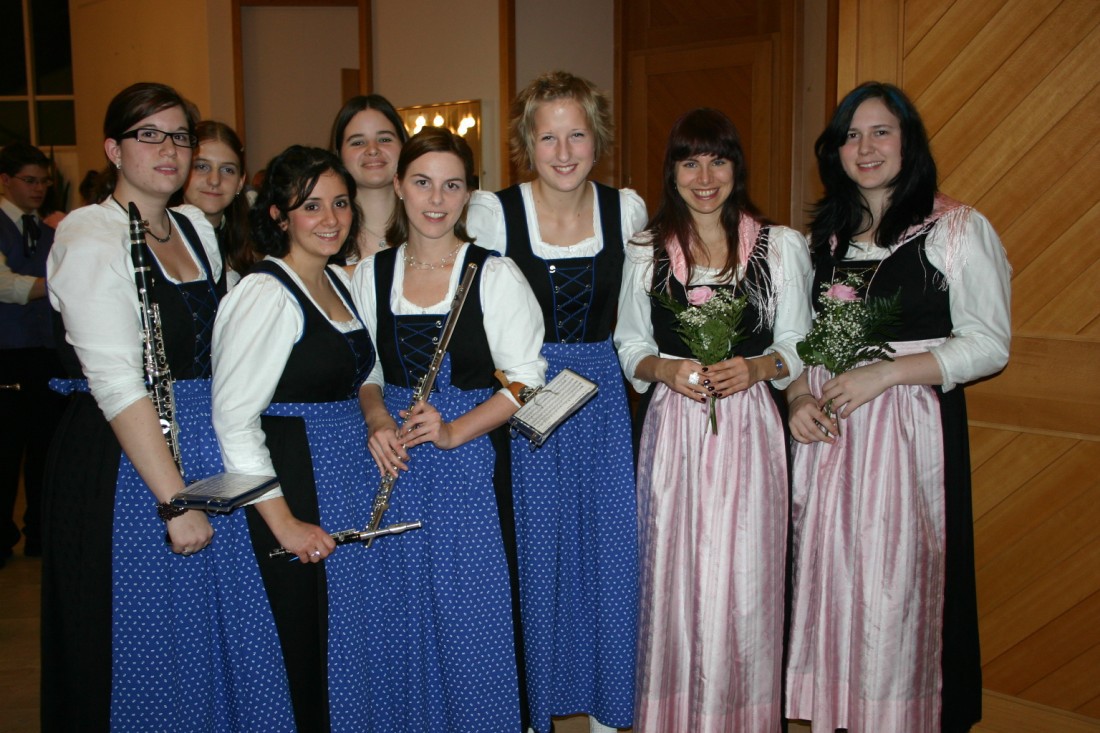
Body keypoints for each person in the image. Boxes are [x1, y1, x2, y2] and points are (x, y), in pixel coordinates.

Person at [784, 82, 1011, 733]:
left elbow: (989, 344)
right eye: (851, 135)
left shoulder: (956, 228)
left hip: (908, 438)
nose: (865, 147)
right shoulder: (823, 239)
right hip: (831, 444)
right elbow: (797, 340)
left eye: (881, 131)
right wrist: (797, 396)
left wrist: (887, 374)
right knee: (835, 584)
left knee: (897, 591)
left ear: (908, 141)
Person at [41, 81, 242, 731]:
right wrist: (175, 500)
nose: (168, 149)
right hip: (130, 463)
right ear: (113, 150)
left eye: (179, 136)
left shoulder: (195, 228)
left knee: (209, 631)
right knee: (145, 638)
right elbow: (115, 383)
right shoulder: (90, 233)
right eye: (148, 135)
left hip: (203, 446)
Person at [614, 107, 812, 733]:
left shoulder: (780, 246)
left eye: (718, 161)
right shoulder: (646, 248)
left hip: (750, 431)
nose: (705, 177)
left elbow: (799, 343)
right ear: (672, 172)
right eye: (690, 162)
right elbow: (629, 343)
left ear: (736, 168)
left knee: (746, 581)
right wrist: (664, 369)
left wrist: (757, 368)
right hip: (673, 431)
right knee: (674, 579)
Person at [466, 70, 646, 733]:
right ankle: (531, 708)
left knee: (608, 552)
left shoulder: (626, 211)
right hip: (526, 397)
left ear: (598, 138)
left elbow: (638, 320)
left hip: (602, 400)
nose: (564, 152)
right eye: (548, 137)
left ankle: (606, 711)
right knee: (533, 552)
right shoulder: (493, 214)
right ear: (526, 143)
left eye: (577, 135)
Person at [351, 126, 547, 733]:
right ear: (399, 186)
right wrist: (376, 417)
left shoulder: (495, 274)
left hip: (467, 467)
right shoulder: (369, 273)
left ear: (468, 194)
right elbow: (366, 371)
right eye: (422, 182)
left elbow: (526, 381)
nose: (436, 200)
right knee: (397, 611)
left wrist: (455, 430)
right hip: (393, 460)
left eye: (452, 185)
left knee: (468, 612)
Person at [212, 145, 377, 731]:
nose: (331, 219)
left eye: (340, 203)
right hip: (294, 480)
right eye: (311, 206)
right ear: (279, 216)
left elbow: (364, 375)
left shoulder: (336, 280)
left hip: (341, 480)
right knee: (302, 642)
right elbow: (233, 419)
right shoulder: (265, 293)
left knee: (341, 642)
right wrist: (284, 523)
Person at [0, 142, 65, 567]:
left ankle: (41, 534)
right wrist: (61, 282)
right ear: (5, 181)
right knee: (6, 451)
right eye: (30, 180)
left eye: (43, 181)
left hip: (46, 353)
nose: (39, 188)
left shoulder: (50, 231)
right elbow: (6, 286)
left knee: (46, 450)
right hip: (6, 353)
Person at [332, 94, 408, 268]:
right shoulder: (324, 234)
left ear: (404, 146)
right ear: (339, 153)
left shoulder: (434, 224)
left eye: (384, 139)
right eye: (358, 142)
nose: (372, 150)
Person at [182, 120, 255, 281]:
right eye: (202, 166)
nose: (214, 180)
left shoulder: (251, 248)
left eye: (227, 170)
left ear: (240, 182)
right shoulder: (159, 242)